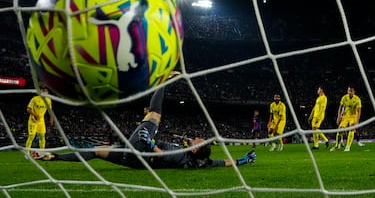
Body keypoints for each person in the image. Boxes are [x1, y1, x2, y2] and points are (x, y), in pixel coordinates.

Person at [39, 72, 256, 168]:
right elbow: (224, 163)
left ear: (194, 150)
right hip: (132, 161)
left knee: (154, 116)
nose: (198, 137)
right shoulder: (203, 162)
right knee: (96, 150)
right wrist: (242, 161)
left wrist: (150, 142)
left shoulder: (180, 155)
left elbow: (162, 155)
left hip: (143, 149)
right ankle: (53, 157)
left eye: (199, 142)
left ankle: (163, 81)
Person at [330, 86, 362, 152]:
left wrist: (357, 121)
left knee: (352, 129)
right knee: (340, 129)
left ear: (354, 92)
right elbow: (340, 107)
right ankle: (337, 145)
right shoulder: (344, 97)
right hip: (346, 116)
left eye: (351, 91)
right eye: (349, 91)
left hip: (353, 116)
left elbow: (359, 111)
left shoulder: (357, 99)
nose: (350, 92)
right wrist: (339, 117)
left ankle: (347, 147)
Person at [25, 86, 54, 157]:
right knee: (31, 136)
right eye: (43, 90)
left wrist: (51, 118)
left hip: (41, 121)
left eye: (46, 91)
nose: (45, 92)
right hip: (33, 120)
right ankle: (27, 153)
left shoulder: (48, 100)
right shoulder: (35, 99)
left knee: (42, 136)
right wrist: (35, 115)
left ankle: (42, 152)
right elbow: (28, 109)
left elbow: (50, 110)